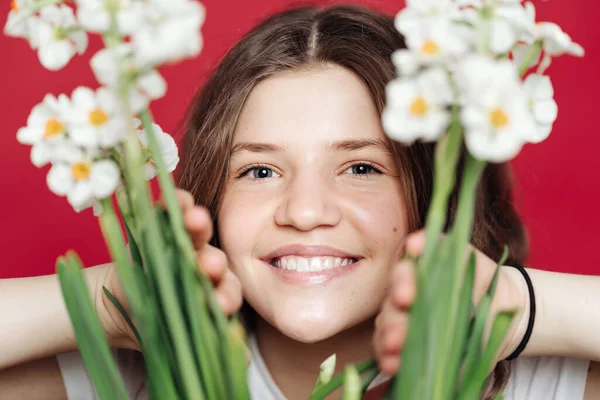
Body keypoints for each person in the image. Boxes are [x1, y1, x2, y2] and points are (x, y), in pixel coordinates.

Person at [1, 4, 599, 400]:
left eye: (361, 166)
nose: (306, 210)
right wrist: (110, 302)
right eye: (259, 170)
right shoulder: (138, 379)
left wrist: (514, 307)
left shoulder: (537, 384)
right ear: (210, 200)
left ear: (430, 196)